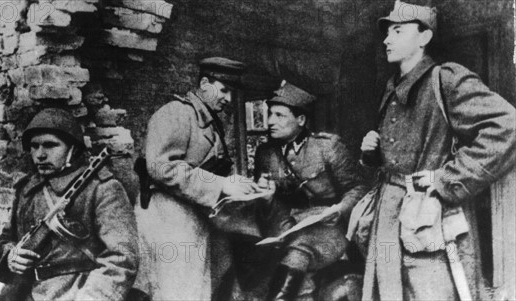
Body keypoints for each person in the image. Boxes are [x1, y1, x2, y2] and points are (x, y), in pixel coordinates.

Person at [359, 2, 516, 300]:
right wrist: (373, 153)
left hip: (429, 216)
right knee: (389, 290)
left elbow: (508, 126)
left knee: (433, 290)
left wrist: (448, 179)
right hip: (388, 216)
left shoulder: (446, 79)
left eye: (397, 30)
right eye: (387, 32)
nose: (386, 39)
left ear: (424, 37)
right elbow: (399, 154)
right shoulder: (392, 88)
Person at [134, 57, 261, 300]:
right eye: (224, 90)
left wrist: (237, 184)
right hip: (167, 216)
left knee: (207, 282)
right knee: (180, 288)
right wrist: (221, 184)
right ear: (204, 83)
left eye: (232, 93)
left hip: (193, 212)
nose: (228, 99)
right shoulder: (176, 113)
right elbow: (161, 168)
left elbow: (206, 168)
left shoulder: (208, 121)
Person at [0, 108, 139, 300]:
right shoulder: (27, 190)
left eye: (50, 145)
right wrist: (11, 257)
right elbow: (5, 239)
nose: (40, 155)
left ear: (72, 149)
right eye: (34, 146)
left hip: (77, 291)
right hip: (25, 292)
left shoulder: (103, 189)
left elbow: (120, 260)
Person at [251, 81, 367, 300]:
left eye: (279, 115)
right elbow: (266, 208)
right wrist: (265, 199)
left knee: (298, 249)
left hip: (327, 229)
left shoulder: (327, 147)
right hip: (284, 226)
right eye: (270, 114)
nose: (270, 122)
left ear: (301, 120)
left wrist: (340, 209)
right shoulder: (265, 154)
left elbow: (358, 188)